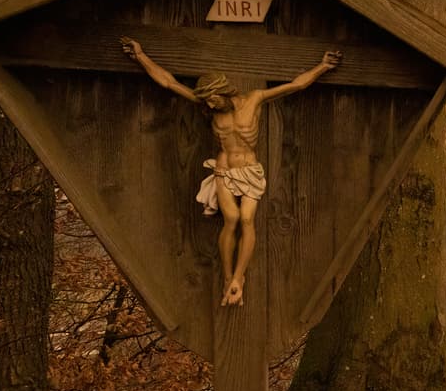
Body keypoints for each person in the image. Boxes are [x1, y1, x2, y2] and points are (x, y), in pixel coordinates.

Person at [119, 37, 341, 306]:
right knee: (232, 219)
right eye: (208, 103)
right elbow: (169, 82)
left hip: (249, 170)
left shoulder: (255, 99)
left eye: (213, 100)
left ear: (223, 91)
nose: (210, 106)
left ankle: (239, 277)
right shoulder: (209, 108)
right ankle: (228, 279)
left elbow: (295, 85)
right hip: (224, 169)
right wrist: (141, 56)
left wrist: (323, 66)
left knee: (247, 220)